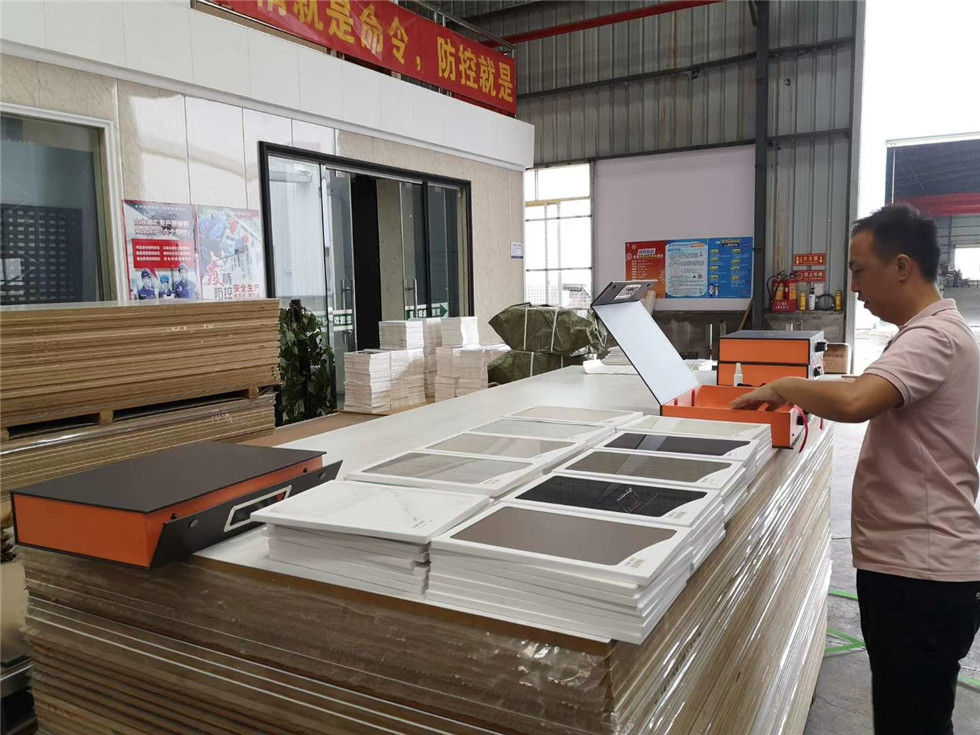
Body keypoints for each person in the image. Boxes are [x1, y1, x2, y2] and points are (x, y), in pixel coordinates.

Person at [732, 203, 980, 735]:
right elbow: (861, 387)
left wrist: (784, 386)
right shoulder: (929, 332)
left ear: (902, 267)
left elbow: (856, 401)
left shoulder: (933, 337)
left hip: (920, 573)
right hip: (917, 567)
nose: (855, 286)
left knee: (910, 721)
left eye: (860, 270)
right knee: (908, 714)